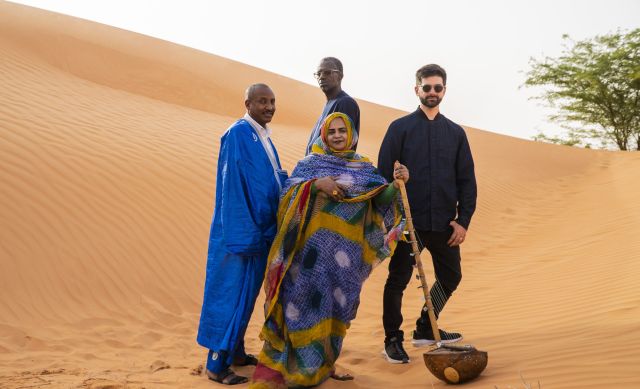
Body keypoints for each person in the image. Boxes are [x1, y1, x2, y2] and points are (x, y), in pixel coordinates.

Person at [249, 112, 409, 388]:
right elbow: (287, 195)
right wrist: (314, 185)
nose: (337, 135)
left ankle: (323, 365)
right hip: (305, 259)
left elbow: (378, 197)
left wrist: (396, 185)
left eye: (342, 131)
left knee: (335, 311)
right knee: (299, 308)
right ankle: (299, 368)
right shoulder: (310, 164)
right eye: (331, 131)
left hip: (343, 263)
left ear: (351, 135)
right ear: (323, 135)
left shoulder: (363, 169)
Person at [378, 64, 477, 364]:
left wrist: (463, 221)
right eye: (427, 87)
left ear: (444, 91)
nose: (432, 92)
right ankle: (392, 339)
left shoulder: (456, 133)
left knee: (451, 276)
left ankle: (425, 327)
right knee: (398, 279)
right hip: (410, 222)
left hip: (444, 223)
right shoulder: (400, 128)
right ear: (416, 89)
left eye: (438, 88)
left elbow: (467, 181)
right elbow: (382, 176)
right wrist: (394, 192)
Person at [197, 83, 288, 385]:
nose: (269, 107)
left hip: (260, 233)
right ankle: (215, 364)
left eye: (272, 101)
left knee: (245, 298)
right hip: (240, 236)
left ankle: (235, 353)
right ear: (248, 103)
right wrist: (244, 233)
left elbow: (273, 179)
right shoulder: (238, 133)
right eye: (262, 101)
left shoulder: (262, 136)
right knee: (230, 297)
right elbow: (233, 186)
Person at [304, 57, 360, 155]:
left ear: (340, 76)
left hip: (331, 169)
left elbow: (342, 148)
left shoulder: (345, 103)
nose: (321, 77)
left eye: (327, 73)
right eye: (318, 73)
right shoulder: (330, 104)